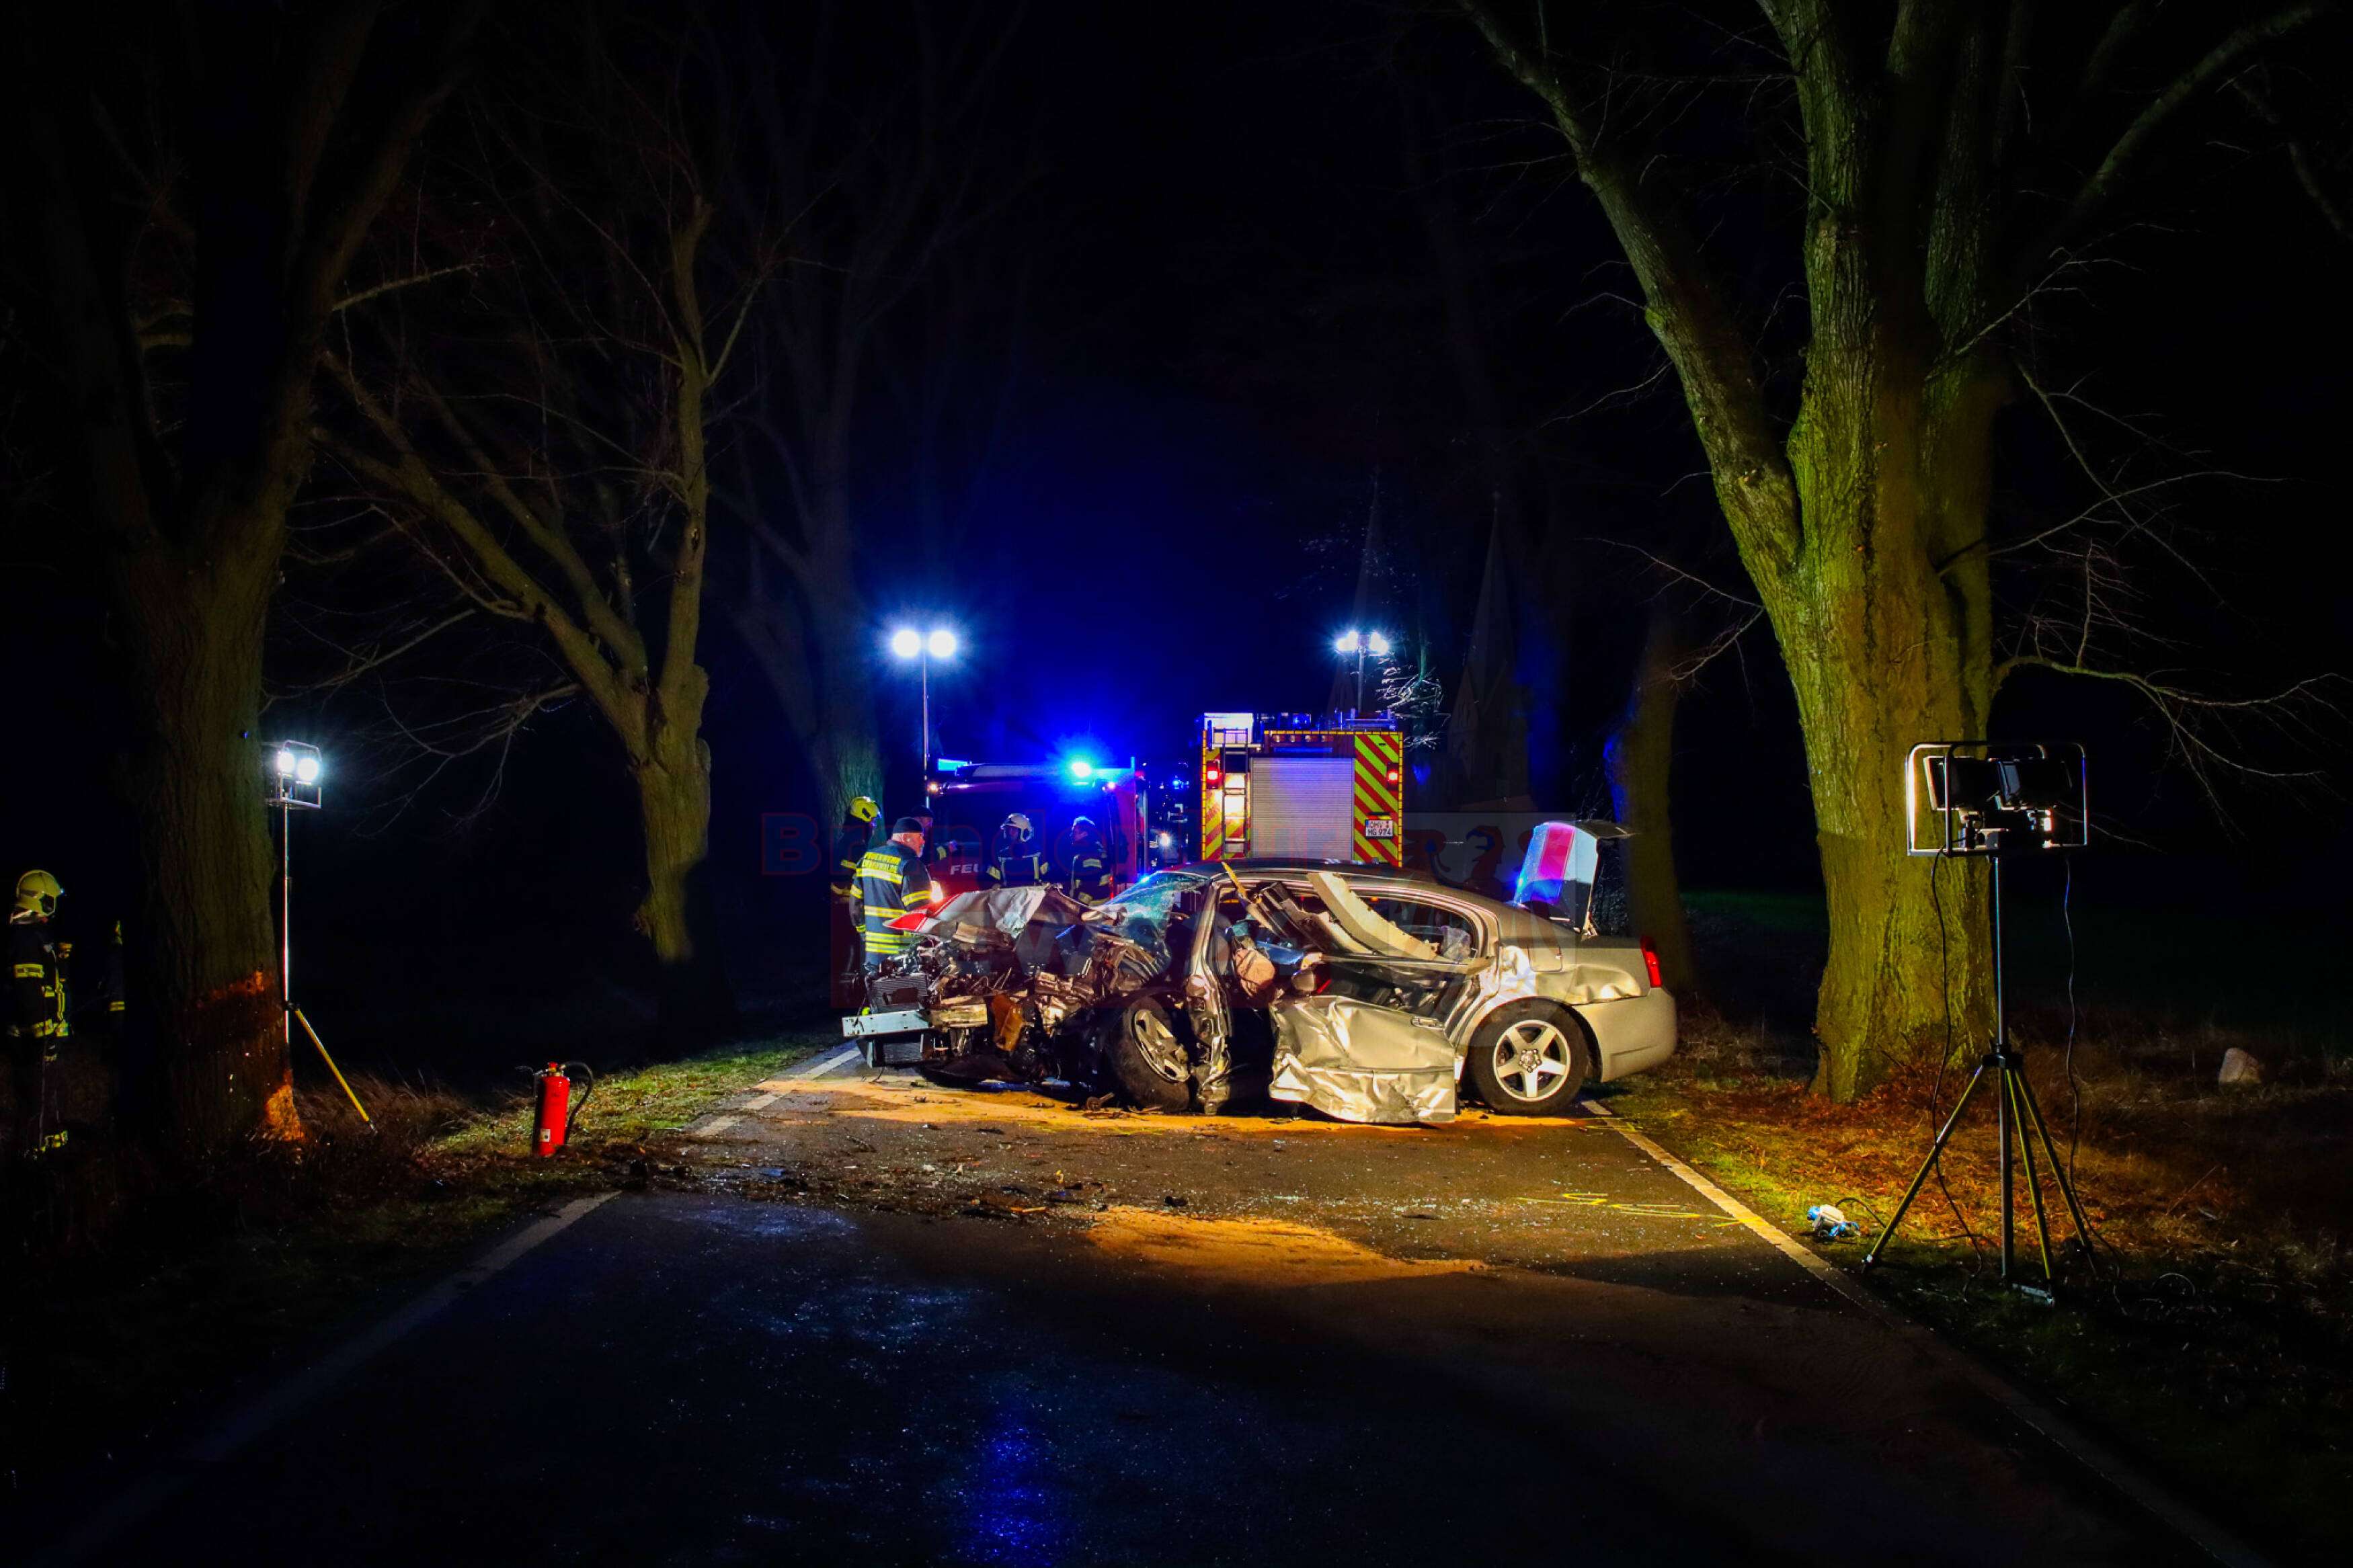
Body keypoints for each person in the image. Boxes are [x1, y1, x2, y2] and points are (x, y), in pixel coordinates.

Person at [7, 871, 71, 1159]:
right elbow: (28, 990)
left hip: (42, 1034)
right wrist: (43, 1032)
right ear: (41, 901)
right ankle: (34, 1156)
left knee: (49, 1094)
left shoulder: (34, 937)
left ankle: (51, 1152)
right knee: (36, 1099)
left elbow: (48, 986)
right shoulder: (26, 939)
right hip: (34, 1037)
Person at [856, 817, 933, 972]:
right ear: (905, 837)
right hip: (902, 954)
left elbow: (855, 905)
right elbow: (919, 910)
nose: (923, 841)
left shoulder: (867, 858)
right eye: (920, 836)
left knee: (875, 986)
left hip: (873, 953)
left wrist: (865, 934)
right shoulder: (910, 864)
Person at [829, 796, 881, 1008]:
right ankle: (850, 997)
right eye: (873, 821)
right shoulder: (857, 843)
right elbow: (847, 874)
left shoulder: (849, 838)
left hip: (841, 904)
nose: (874, 826)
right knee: (853, 949)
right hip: (848, 906)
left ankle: (845, 995)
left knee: (846, 950)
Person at [1061, 815, 1114, 905]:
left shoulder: (1091, 853)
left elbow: (1091, 884)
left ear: (1085, 834)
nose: (1071, 835)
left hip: (1092, 908)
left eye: (1074, 832)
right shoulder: (1090, 850)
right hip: (1094, 907)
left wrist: (1080, 905)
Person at [986, 813, 1047, 889]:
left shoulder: (1038, 854)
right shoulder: (1001, 856)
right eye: (1008, 829)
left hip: (1034, 895)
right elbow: (989, 879)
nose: (1010, 833)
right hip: (1009, 896)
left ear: (1025, 833)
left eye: (1014, 830)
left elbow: (1050, 876)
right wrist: (994, 885)